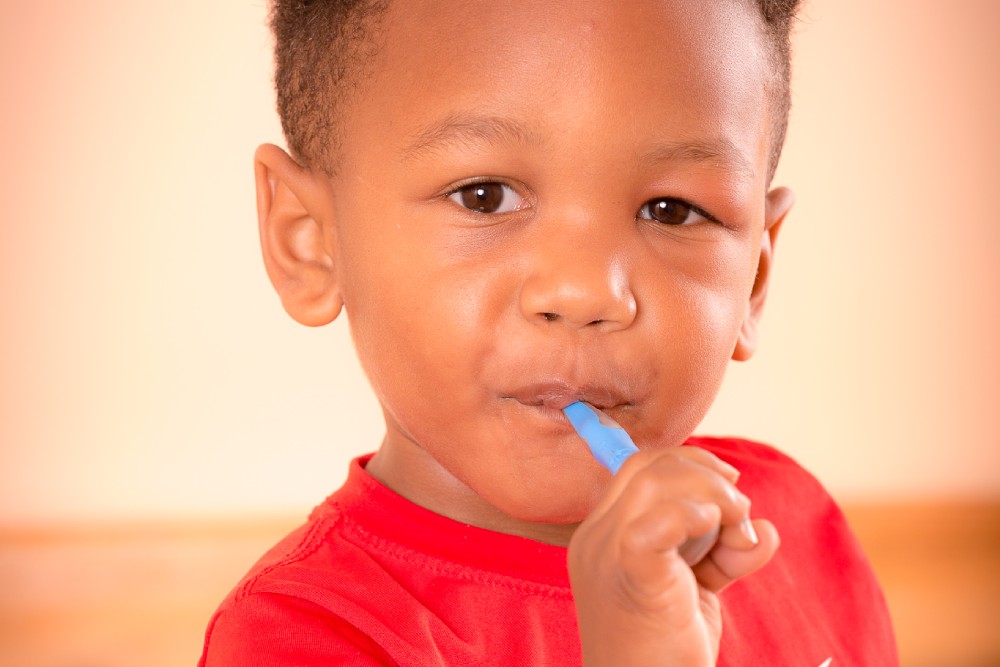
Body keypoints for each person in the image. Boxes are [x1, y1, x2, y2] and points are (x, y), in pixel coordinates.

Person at [200, 0, 898, 664]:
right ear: (311, 242)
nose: (586, 291)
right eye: (485, 196)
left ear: (753, 278)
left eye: (672, 209)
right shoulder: (305, 636)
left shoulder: (792, 531)